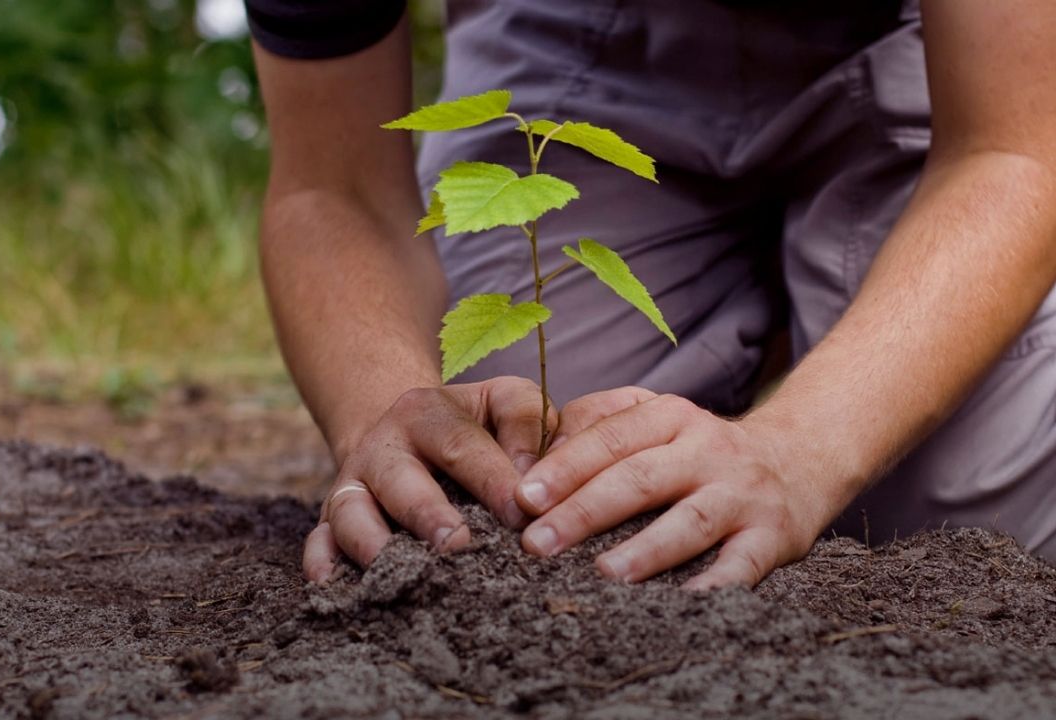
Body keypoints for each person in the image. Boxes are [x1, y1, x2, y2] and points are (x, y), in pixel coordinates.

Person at [245, 0, 1056, 589]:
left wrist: (802, 450)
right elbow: (333, 186)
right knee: (525, 473)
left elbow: (1015, 150)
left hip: (927, 42)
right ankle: (753, 297)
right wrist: (384, 414)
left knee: (969, 512)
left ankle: (798, 309)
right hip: (572, 35)